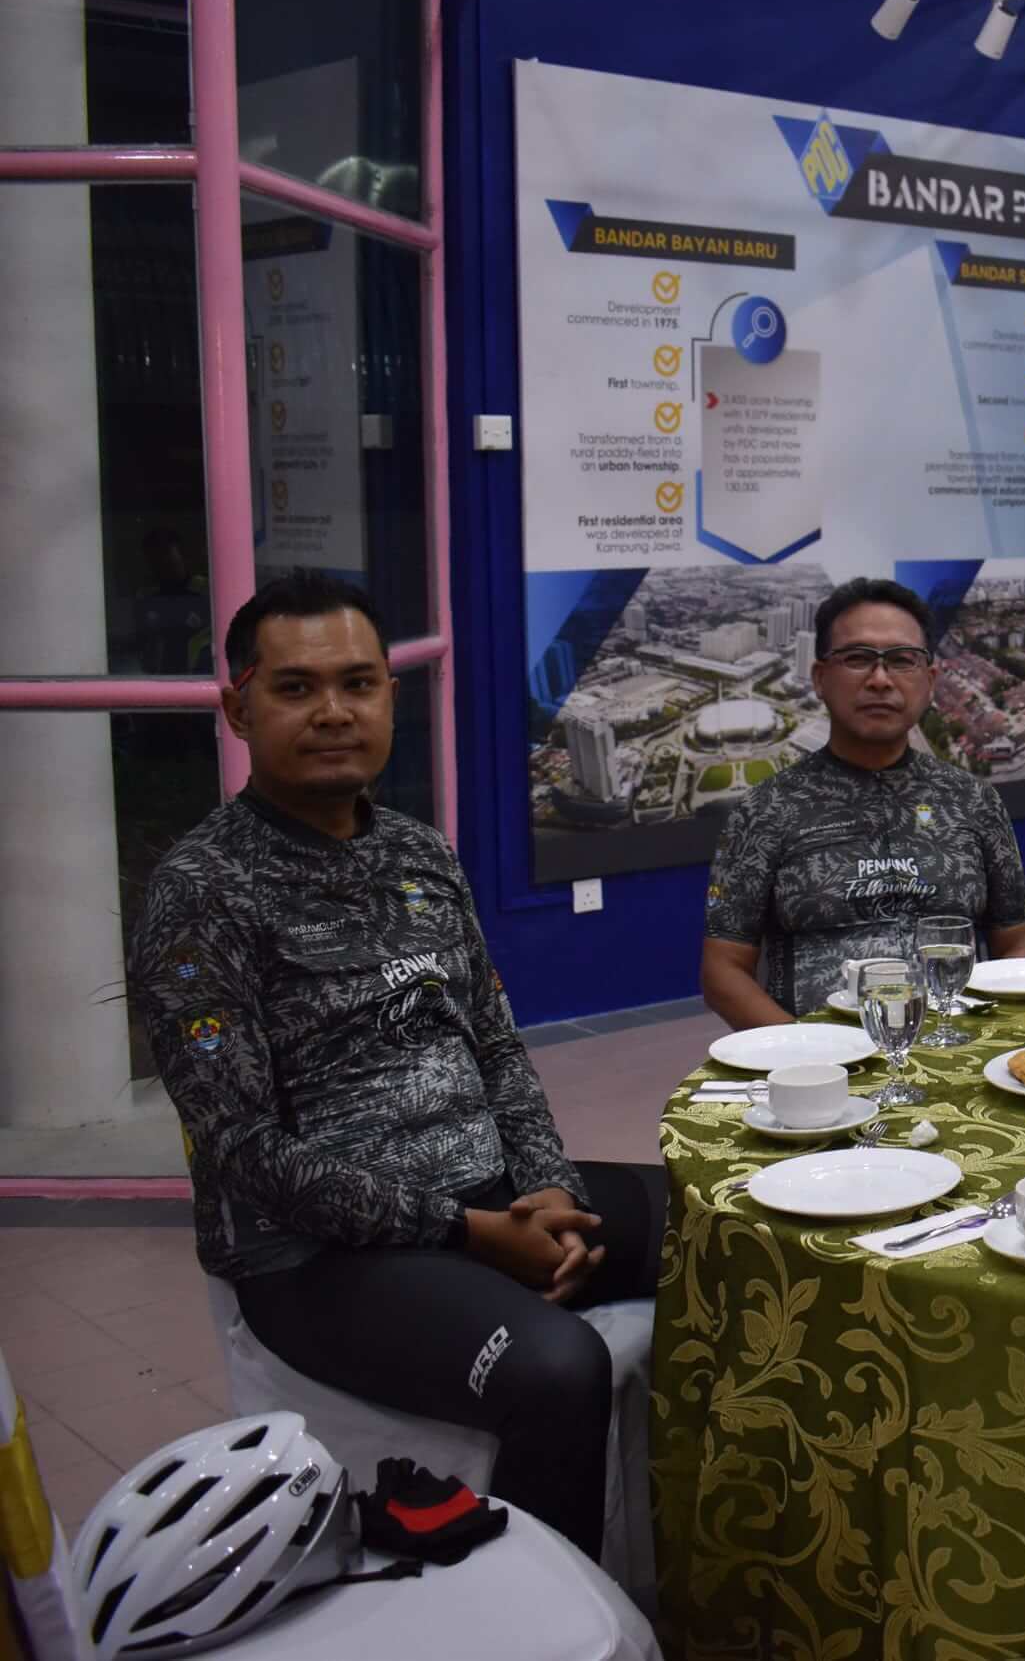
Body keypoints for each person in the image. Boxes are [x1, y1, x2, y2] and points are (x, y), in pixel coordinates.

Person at [129, 572, 661, 1561]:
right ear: (238, 708)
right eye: (295, 688)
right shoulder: (201, 890)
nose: (332, 711)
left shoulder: (423, 853)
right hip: (318, 1261)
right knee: (557, 1368)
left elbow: (494, 1043)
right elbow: (244, 1149)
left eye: (357, 683)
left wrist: (547, 1186)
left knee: (726, 1227)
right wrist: (472, 1232)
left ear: (390, 696)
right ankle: (544, 1617)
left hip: (489, 1195)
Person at [703, 577, 1025, 1028]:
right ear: (820, 678)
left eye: (902, 660)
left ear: (930, 680)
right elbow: (723, 971)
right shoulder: (765, 811)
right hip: (818, 1059)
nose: (880, 680)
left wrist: (992, 1039)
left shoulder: (975, 802)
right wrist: (803, 1052)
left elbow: (1017, 943)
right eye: (858, 659)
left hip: (956, 1049)